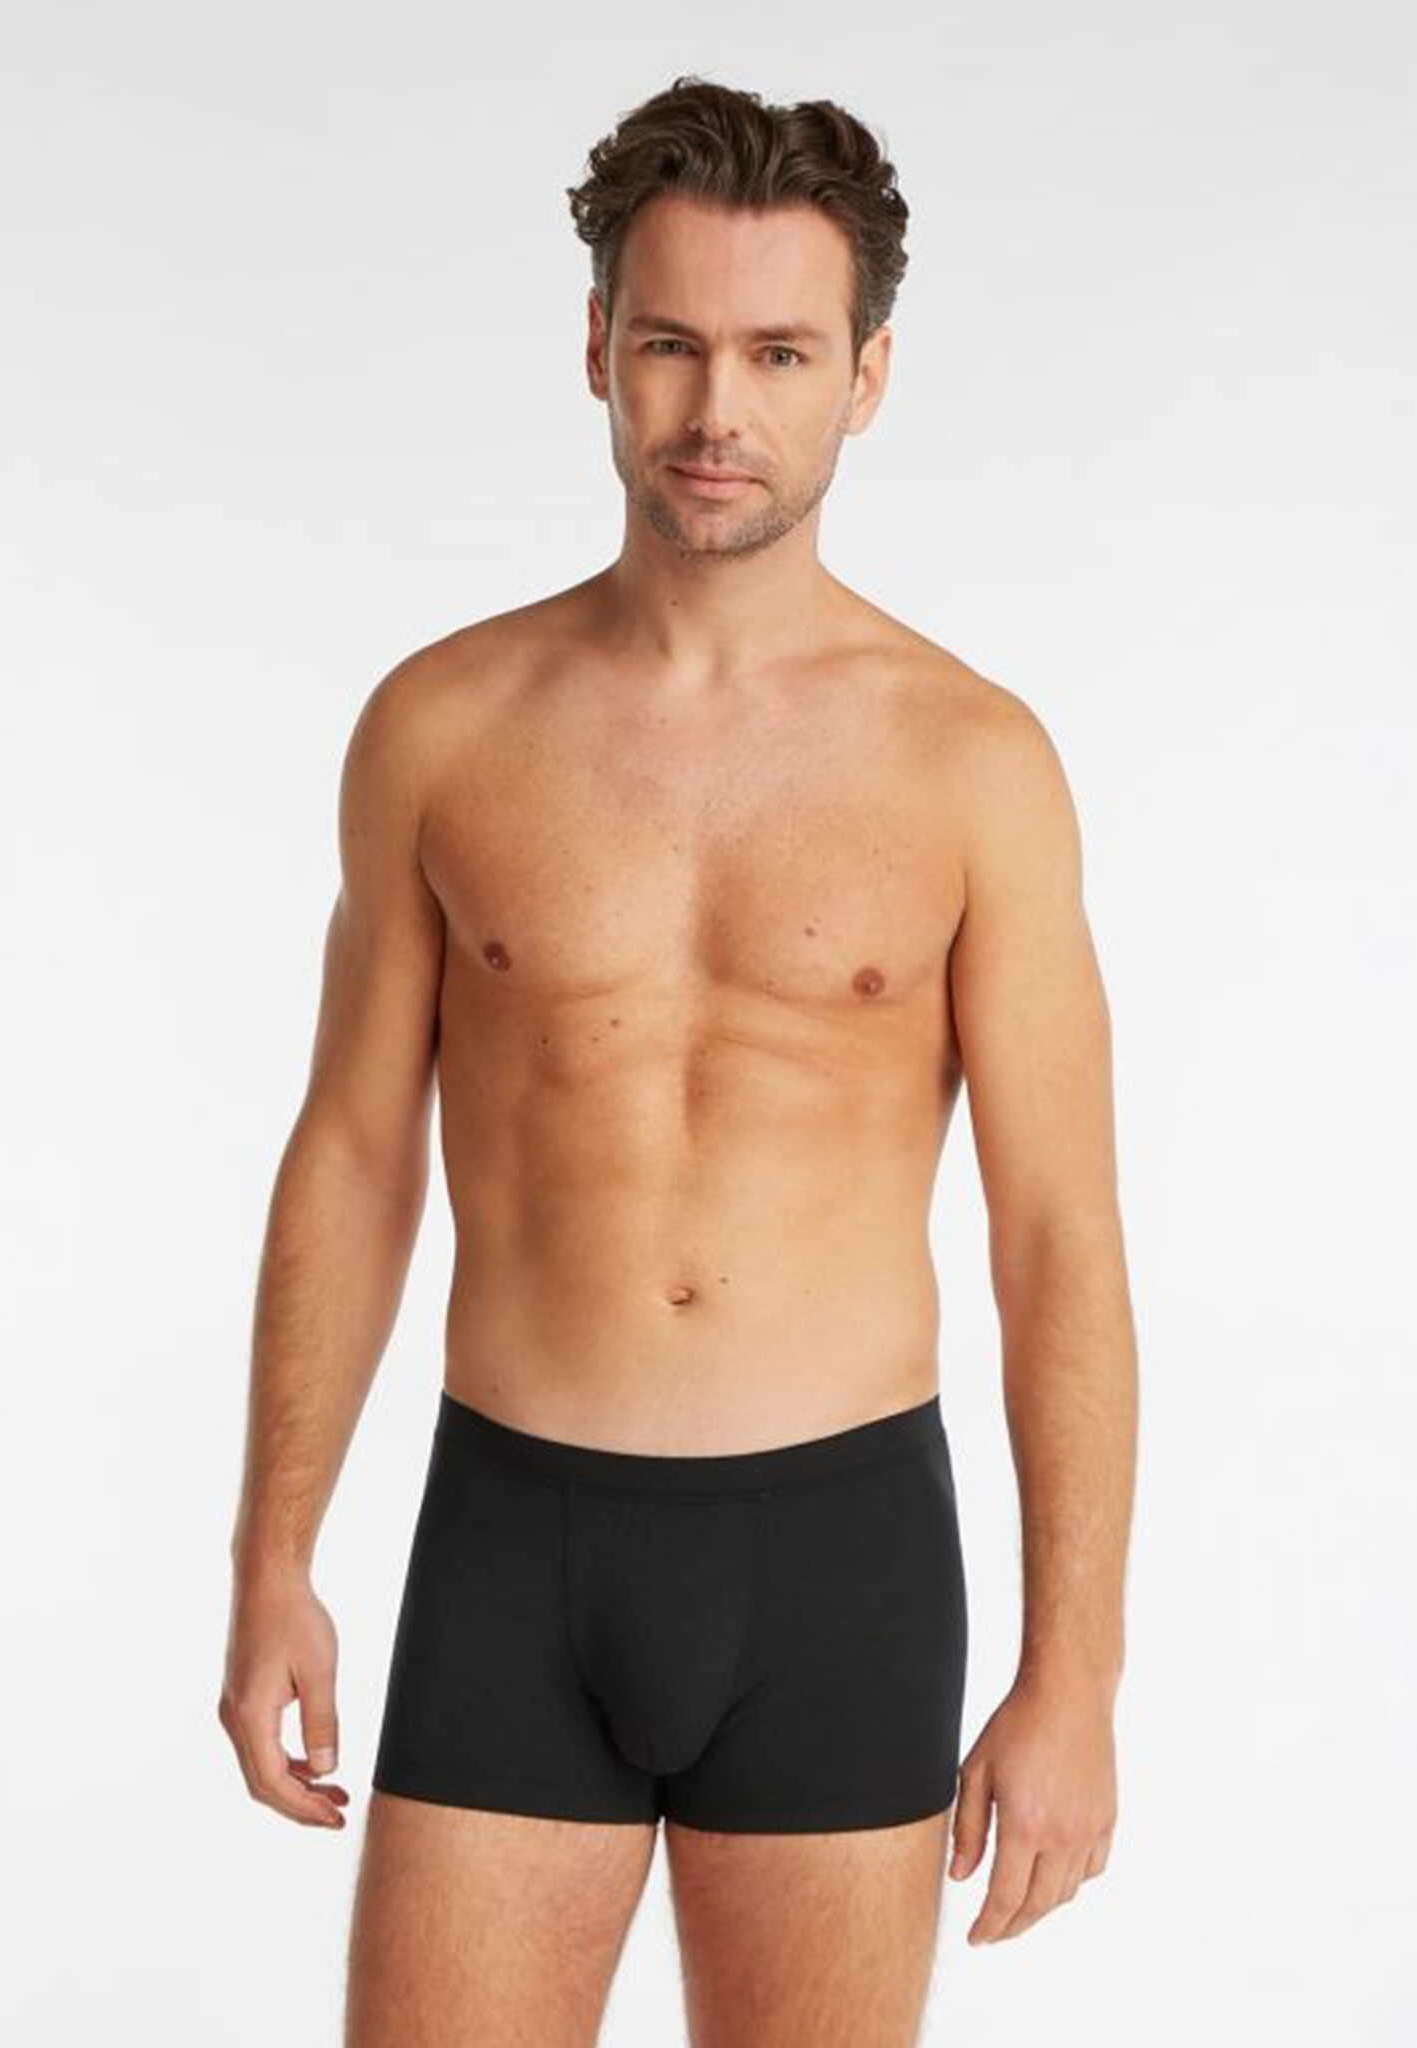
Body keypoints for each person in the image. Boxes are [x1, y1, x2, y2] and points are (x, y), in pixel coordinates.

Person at [218, 72, 1138, 2048]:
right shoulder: (443, 726)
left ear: (865, 377)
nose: (717, 410)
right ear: (596, 349)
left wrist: (1077, 1671)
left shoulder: (973, 764)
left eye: (780, 353)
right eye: (671, 345)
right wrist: (269, 1557)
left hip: (837, 1558)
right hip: (512, 1539)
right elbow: (353, 1150)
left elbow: (1057, 1233)